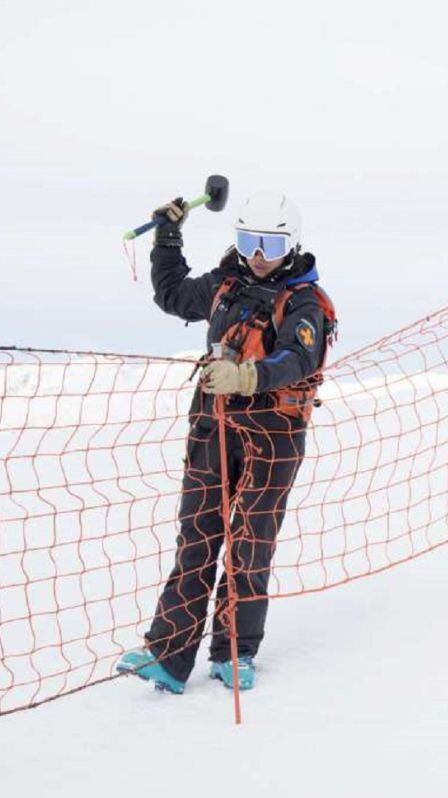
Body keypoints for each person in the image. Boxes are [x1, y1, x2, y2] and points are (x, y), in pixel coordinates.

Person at [117, 191, 337, 693]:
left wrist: (247, 377)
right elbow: (172, 295)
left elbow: (298, 360)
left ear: (292, 243)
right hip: (213, 427)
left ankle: (234, 652)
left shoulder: (305, 302)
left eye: (270, 243)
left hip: (273, 438)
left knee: (249, 546)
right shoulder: (225, 285)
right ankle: (169, 657)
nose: (258, 254)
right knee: (197, 538)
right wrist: (168, 236)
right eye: (248, 241)